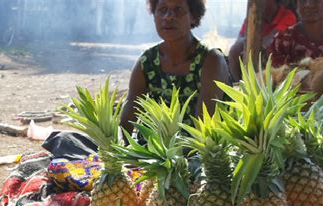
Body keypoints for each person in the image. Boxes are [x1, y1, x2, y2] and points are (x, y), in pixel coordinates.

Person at [120, 0, 230, 133]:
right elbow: (128, 118)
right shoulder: (147, 61)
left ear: (193, 16)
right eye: (162, 10)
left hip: (199, 150)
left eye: (178, 9)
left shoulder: (211, 60)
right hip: (153, 150)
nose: (168, 16)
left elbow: (205, 126)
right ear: (154, 16)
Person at [268, 0, 323, 67]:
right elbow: (277, 78)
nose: (309, 5)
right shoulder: (283, 39)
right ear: (297, 4)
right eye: (303, 0)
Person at [227, 0, 297, 82]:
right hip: (252, 60)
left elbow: (272, 40)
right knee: (235, 50)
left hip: (276, 64)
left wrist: (250, 46)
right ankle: (239, 84)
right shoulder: (251, 16)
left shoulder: (287, 16)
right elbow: (240, 40)